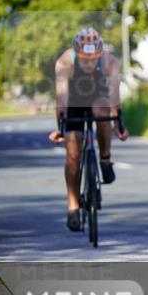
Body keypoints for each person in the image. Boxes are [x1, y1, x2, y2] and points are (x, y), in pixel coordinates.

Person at [47, 28, 129, 232]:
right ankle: (73, 206)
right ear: (77, 54)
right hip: (74, 100)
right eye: (84, 60)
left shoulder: (110, 62)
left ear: (99, 55)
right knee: (73, 155)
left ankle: (105, 159)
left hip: (97, 97)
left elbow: (114, 96)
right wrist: (61, 127)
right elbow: (62, 99)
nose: (89, 64)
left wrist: (119, 125)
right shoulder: (65, 63)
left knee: (103, 111)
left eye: (93, 60)